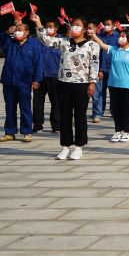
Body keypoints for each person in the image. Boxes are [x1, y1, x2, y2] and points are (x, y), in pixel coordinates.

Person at [33, 13, 101, 160]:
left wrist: (92, 82)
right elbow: (46, 40)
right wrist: (38, 23)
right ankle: (65, 146)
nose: (74, 27)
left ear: (83, 29)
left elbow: (94, 64)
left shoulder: (92, 45)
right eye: (73, 24)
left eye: (78, 25)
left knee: (80, 116)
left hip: (82, 84)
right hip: (63, 83)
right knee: (65, 116)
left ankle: (78, 146)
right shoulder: (64, 42)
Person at [0, 21, 45, 143]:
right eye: (16, 29)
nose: (17, 32)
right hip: (9, 80)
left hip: (24, 81)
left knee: (25, 107)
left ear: (27, 32)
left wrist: (37, 80)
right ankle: (9, 132)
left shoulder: (33, 45)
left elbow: (39, 63)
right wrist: (7, 32)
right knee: (10, 107)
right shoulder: (10, 43)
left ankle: (27, 132)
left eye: (20, 30)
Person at [103, 31, 129, 142]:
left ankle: (127, 131)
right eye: (120, 36)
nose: (120, 38)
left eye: (123, 36)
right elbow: (102, 45)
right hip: (113, 84)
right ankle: (117, 131)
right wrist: (94, 35)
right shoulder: (114, 50)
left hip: (127, 85)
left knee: (126, 109)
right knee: (115, 109)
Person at [32, 20, 62, 134]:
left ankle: (56, 125)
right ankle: (38, 125)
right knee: (37, 102)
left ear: (56, 28)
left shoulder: (61, 41)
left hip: (55, 76)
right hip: (39, 76)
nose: (48, 28)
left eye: (50, 27)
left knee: (56, 102)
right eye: (46, 27)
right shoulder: (38, 41)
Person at [92, 20, 117, 124]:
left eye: (108, 24)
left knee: (114, 93)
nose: (106, 26)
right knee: (98, 93)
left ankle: (114, 111)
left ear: (113, 26)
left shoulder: (117, 36)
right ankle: (97, 113)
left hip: (113, 69)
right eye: (105, 24)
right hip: (101, 69)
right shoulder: (100, 35)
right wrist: (99, 69)